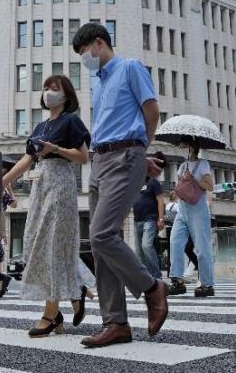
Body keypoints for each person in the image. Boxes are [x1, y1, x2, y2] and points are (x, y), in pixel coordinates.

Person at [72, 22, 168, 348]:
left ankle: (152, 288)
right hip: (99, 161)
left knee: (101, 233)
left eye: (85, 52)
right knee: (99, 243)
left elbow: (151, 112)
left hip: (125, 158)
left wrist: (140, 151)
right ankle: (115, 323)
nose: (84, 59)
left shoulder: (130, 68)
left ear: (99, 44)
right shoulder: (96, 82)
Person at [2, 75, 92, 337]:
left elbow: (84, 156)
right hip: (41, 184)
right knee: (37, 243)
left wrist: (56, 148)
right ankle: (76, 291)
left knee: (53, 245)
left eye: (55, 89)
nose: (49, 92)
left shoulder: (71, 120)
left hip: (62, 182)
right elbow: (27, 159)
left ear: (66, 95)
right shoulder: (40, 126)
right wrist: (2, 181)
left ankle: (50, 314)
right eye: (46, 88)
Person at [168, 138, 216, 297]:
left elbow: (210, 186)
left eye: (183, 144)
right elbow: (181, 187)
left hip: (198, 209)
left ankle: (207, 285)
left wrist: (194, 178)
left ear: (191, 146)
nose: (180, 147)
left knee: (202, 247)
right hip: (182, 209)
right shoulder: (182, 166)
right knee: (175, 241)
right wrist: (175, 191)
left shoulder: (203, 164)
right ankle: (177, 280)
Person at [133, 151, 166, 279]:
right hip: (137, 220)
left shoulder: (154, 182)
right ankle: (145, 278)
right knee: (139, 252)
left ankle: (156, 276)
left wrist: (161, 219)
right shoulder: (139, 181)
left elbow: (160, 201)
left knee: (146, 245)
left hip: (150, 219)